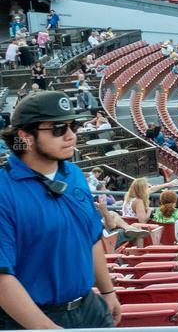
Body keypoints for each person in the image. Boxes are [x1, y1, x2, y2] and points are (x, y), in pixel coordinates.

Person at [0, 91, 123, 328]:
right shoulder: (4, 191)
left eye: (73, 126)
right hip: (31, 320)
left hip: (90, 309)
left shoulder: (75, 175)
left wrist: (107, 291)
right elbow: (2, 277)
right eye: (58, 129)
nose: (71, 136)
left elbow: (92, 237)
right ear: (25, 136)